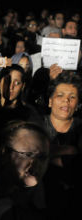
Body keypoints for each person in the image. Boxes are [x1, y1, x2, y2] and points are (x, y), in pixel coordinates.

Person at [41, 72, 82, 220]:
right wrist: (69, 151)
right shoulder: (35, 125)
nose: (66, 101)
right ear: (50, 101)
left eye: (72, 97)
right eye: (60, 95)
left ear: (77, 105)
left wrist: (47, 155)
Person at [0, 121, 50, 219]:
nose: (35, 163)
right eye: (28, 155)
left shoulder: (48, 199)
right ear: (5, 153)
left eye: (42, 157)